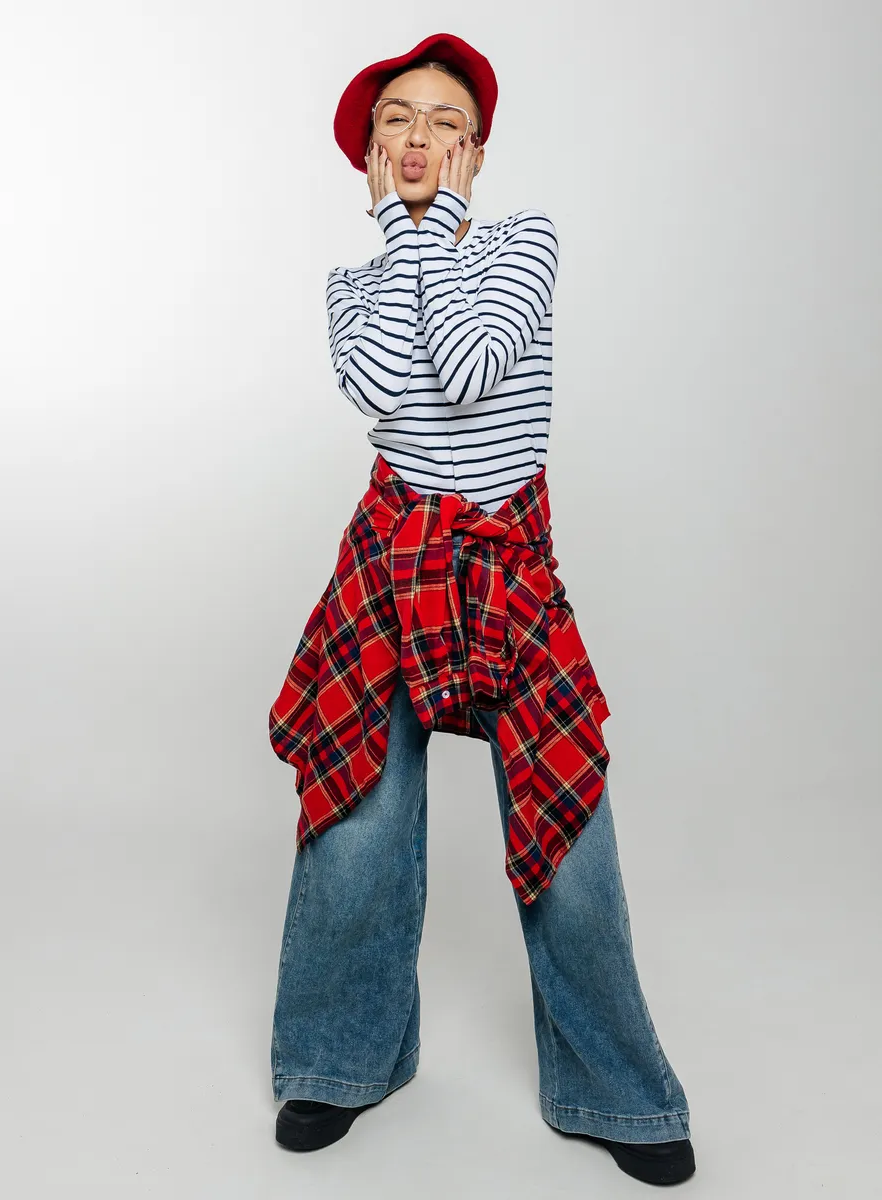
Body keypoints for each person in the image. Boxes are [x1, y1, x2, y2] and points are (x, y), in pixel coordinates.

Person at [268, 33, 696, 1186]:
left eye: (444, 121)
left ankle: (613, 1090)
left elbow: (462, 370)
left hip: (507, 563)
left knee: (570, 820)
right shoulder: (353, 284)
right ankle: (336, 1063)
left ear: (478, 149)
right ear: (370, 152)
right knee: (358, 812)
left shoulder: (523, 242)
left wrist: (434, 228)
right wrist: (406, 237)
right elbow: (378, 387)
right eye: (396, 119)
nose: (418, 137)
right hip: (393, 557)